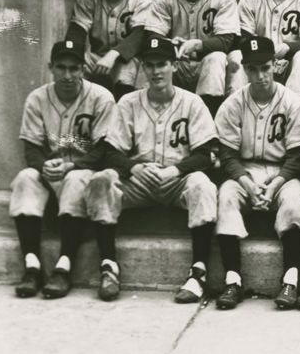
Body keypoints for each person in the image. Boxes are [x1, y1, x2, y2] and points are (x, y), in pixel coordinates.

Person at [86, 35, 219, 303]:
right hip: (139, 181)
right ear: (143, 68)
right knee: (101, 180)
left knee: (203, 184)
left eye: (162, 64)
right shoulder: (128, 102)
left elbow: (206, 154)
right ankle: (108, 266)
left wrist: (177, 170)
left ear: (173, 66)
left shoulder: (192, 102)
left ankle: (198, 272)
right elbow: (111, 152)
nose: (156, 71)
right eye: (150, 65)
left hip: (176, 180)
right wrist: (133, 168)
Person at [9, 40, 115, 300]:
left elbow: (104, 150)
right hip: (51, 170)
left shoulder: (101, 97)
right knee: (24, 178)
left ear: (83, 69)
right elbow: (31, 148)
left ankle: (63, 267)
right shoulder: (37, 98)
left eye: (74, 68)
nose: (68, 75)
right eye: (61, 67)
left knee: (76, 180)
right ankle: (32, 267)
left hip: (82, 170)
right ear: (51, 68)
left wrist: (73, 165)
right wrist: (42, 164)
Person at [213, 37, 300, 311]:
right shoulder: (233, 104)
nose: (260, 75)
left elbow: (298, 156)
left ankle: (290, 279)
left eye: (265, 68)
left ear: (276, 66)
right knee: (227, 195)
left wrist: (274, 185)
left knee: (293, 202)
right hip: (244, 170)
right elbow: (226, 155)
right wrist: (247, 182)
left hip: (283, 172)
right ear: (244, 68)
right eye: (253, 69)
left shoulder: (292, 102)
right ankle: (233, 280)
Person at [141, 0, 240, 117]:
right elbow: (152, 37)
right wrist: (169, 44)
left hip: (206, 65)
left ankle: (209, 121)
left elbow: (226, 41)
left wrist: (196, 45)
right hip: (176, 62)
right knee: (149, 61)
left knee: (216, 58)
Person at [65, 0, 152, 98]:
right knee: (74, 64)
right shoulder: (88, 0)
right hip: (98, 57)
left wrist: (113, 55)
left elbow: (139, 36)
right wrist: (71, 60)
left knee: (127, 68)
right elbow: (76, 34)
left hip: (131, 60)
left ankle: (122, 115)